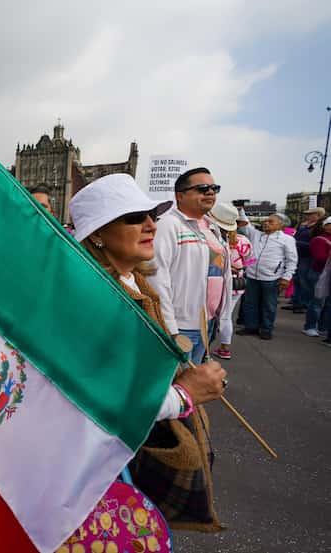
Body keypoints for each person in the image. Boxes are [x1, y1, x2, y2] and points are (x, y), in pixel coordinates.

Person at [69, 173, 227, 535]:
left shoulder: (137, 282)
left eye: (152, 214)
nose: (150, 224)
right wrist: (185, 394)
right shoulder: (95, 301)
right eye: (133, 217)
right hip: (110, 469)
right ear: (96, 234)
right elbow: (99, 406)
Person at [148, 168, 232, 364]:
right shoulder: (168, 225)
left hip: (207, 323)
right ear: (180, 195)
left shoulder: (212, 228)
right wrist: (170, 328)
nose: (210, 193)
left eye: (214, 188)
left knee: (192, 387)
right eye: (203, 188)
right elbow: (156, 278)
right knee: (178, 386)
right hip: (181, 326)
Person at [236, 211, 297, 340]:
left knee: (269, 305)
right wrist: (241, 209)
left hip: (271, 278)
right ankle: (250, 327)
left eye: (271, 222)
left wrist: (287, 277)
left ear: (280, 225)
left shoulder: (287, 239)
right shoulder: (256, 235)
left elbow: (292, 260)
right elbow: (245, 224)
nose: (266, 223)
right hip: (252, 276)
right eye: (266, 221)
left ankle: (266, 328)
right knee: (250, 303)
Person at [208, 203, 255, 360]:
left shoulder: (210, 238)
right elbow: (249, 261)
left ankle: (207, 346)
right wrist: (237, 266)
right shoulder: (243, 241)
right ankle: (224, 347)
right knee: (226, 315)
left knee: (209, 314)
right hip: (237, 283)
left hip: (213, 282)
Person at [289, 207, 326, 313]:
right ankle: (296, 301)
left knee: (304, 280)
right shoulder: (304, 226)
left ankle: (303, 303)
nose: (308, 216)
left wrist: (297, 243)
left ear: (318, 215)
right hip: (298, 255)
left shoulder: (318, 228)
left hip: (308, 257)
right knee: (297, 279)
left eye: (311, 214)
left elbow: (315, 244)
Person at [303, 216, 331, 337]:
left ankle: (323, 327)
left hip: (328, 273)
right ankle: (310, 326)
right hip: (319, 273)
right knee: (317, 301)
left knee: (328, 303)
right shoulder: (319, 239)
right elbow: (319, 258)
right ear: (325, 226)